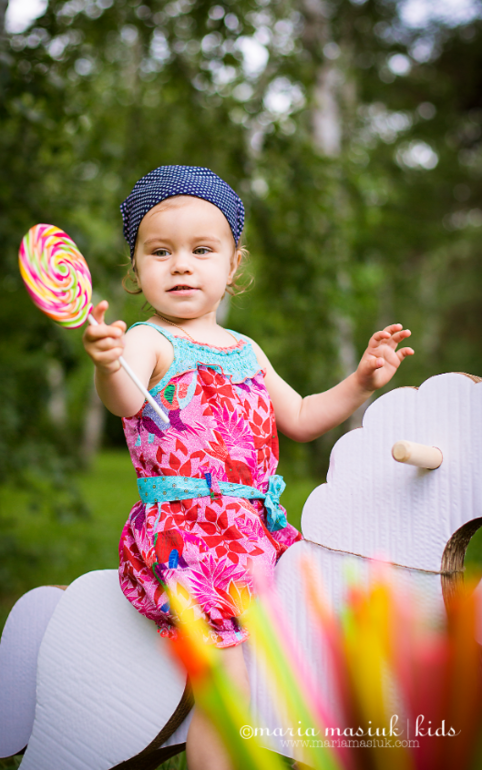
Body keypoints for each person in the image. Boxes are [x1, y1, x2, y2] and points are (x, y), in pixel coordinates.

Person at [83, 165, 413, 770]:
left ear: (233, 266)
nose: (181, 264)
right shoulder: (147, 342)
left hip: (253, 534)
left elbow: (307, 415)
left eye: (202, 250)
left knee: (276, 679)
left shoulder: (246, 350)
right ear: (136, 269)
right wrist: (108, 363)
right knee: (229, 695)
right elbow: (126, 400)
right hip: (188, 538)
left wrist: (361, 381)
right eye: (160, 252)